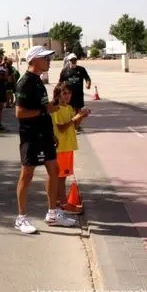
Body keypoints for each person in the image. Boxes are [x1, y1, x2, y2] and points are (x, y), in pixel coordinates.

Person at [14, 46, 77, 234]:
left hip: (45, 134)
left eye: (48, 58)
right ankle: (21, 218)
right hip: (30, 136)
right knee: (27, 175)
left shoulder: (38, 80)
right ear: (33, 60)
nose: (48, 61)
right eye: (45, 58)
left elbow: (42, 108)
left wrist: (51, 130)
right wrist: (45, 110)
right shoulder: (25, 82)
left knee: (54, 170)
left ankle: (52, 213)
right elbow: (20, 113)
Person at [51, 82, 89, 215]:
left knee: (62, 176)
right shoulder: (56, 109)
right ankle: (64, 204)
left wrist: (81, 117)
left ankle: (58, 201)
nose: (67, 96)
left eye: (69, 93)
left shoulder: (68, 107)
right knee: (61, 177)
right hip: (61, 147)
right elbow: (61, 127)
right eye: (64, 93)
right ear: (58, 94)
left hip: (68, 146)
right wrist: (75, 118)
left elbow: (74, 126)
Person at [58, 54, 92, 132]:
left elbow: (87, 78)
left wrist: (88, 84)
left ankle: (77, 126)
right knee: (71, 111)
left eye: (75, 60)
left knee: (79, 111)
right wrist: (58, 92)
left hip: (79, 95)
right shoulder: (64, 71)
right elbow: (60, 82)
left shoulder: (81, 69)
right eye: (72, 60)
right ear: (68, 61)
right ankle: (72, 126)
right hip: (69, 96)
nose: (73, 61)